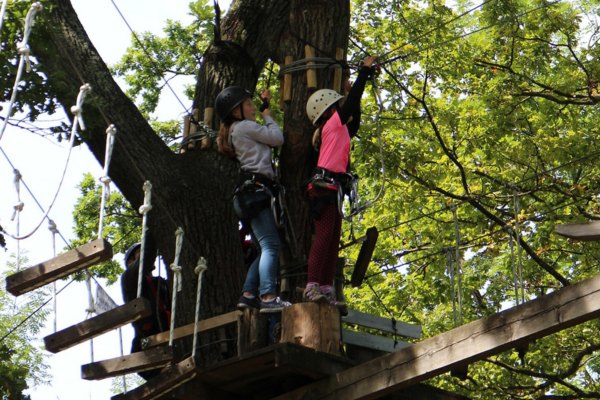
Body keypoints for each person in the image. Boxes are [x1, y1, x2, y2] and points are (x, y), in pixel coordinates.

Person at [303, 55, 378, 313]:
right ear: (329, 110)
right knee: (323, 239)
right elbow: (351, 105)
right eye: (338, 104)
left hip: (334, 188)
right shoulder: (330, 125)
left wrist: (354, 87)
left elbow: (353, 118)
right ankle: (312, 285)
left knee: (332, 240)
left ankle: (325, 287)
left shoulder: (340, 128)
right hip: (324, 188)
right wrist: (363, 73)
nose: (341, 108)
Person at [216, 86, 290, 313]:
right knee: (271, 245)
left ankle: (249, 294)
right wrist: (268, 116)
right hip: (255, 193)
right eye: (248, 104)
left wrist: (265, 105)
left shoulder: (235, 130)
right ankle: (268, 296)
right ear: (236, 110)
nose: (252, 108)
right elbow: (277, 139)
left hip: (248, 196)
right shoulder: (245, 127)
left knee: (262, 248)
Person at [120, 240, 171, 380]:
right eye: (139, 252)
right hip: (148, 344)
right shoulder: (129, 277)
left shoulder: (162, 283)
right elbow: (147, 256)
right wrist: (151, 228)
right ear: (131, 261)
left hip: (171, 337)